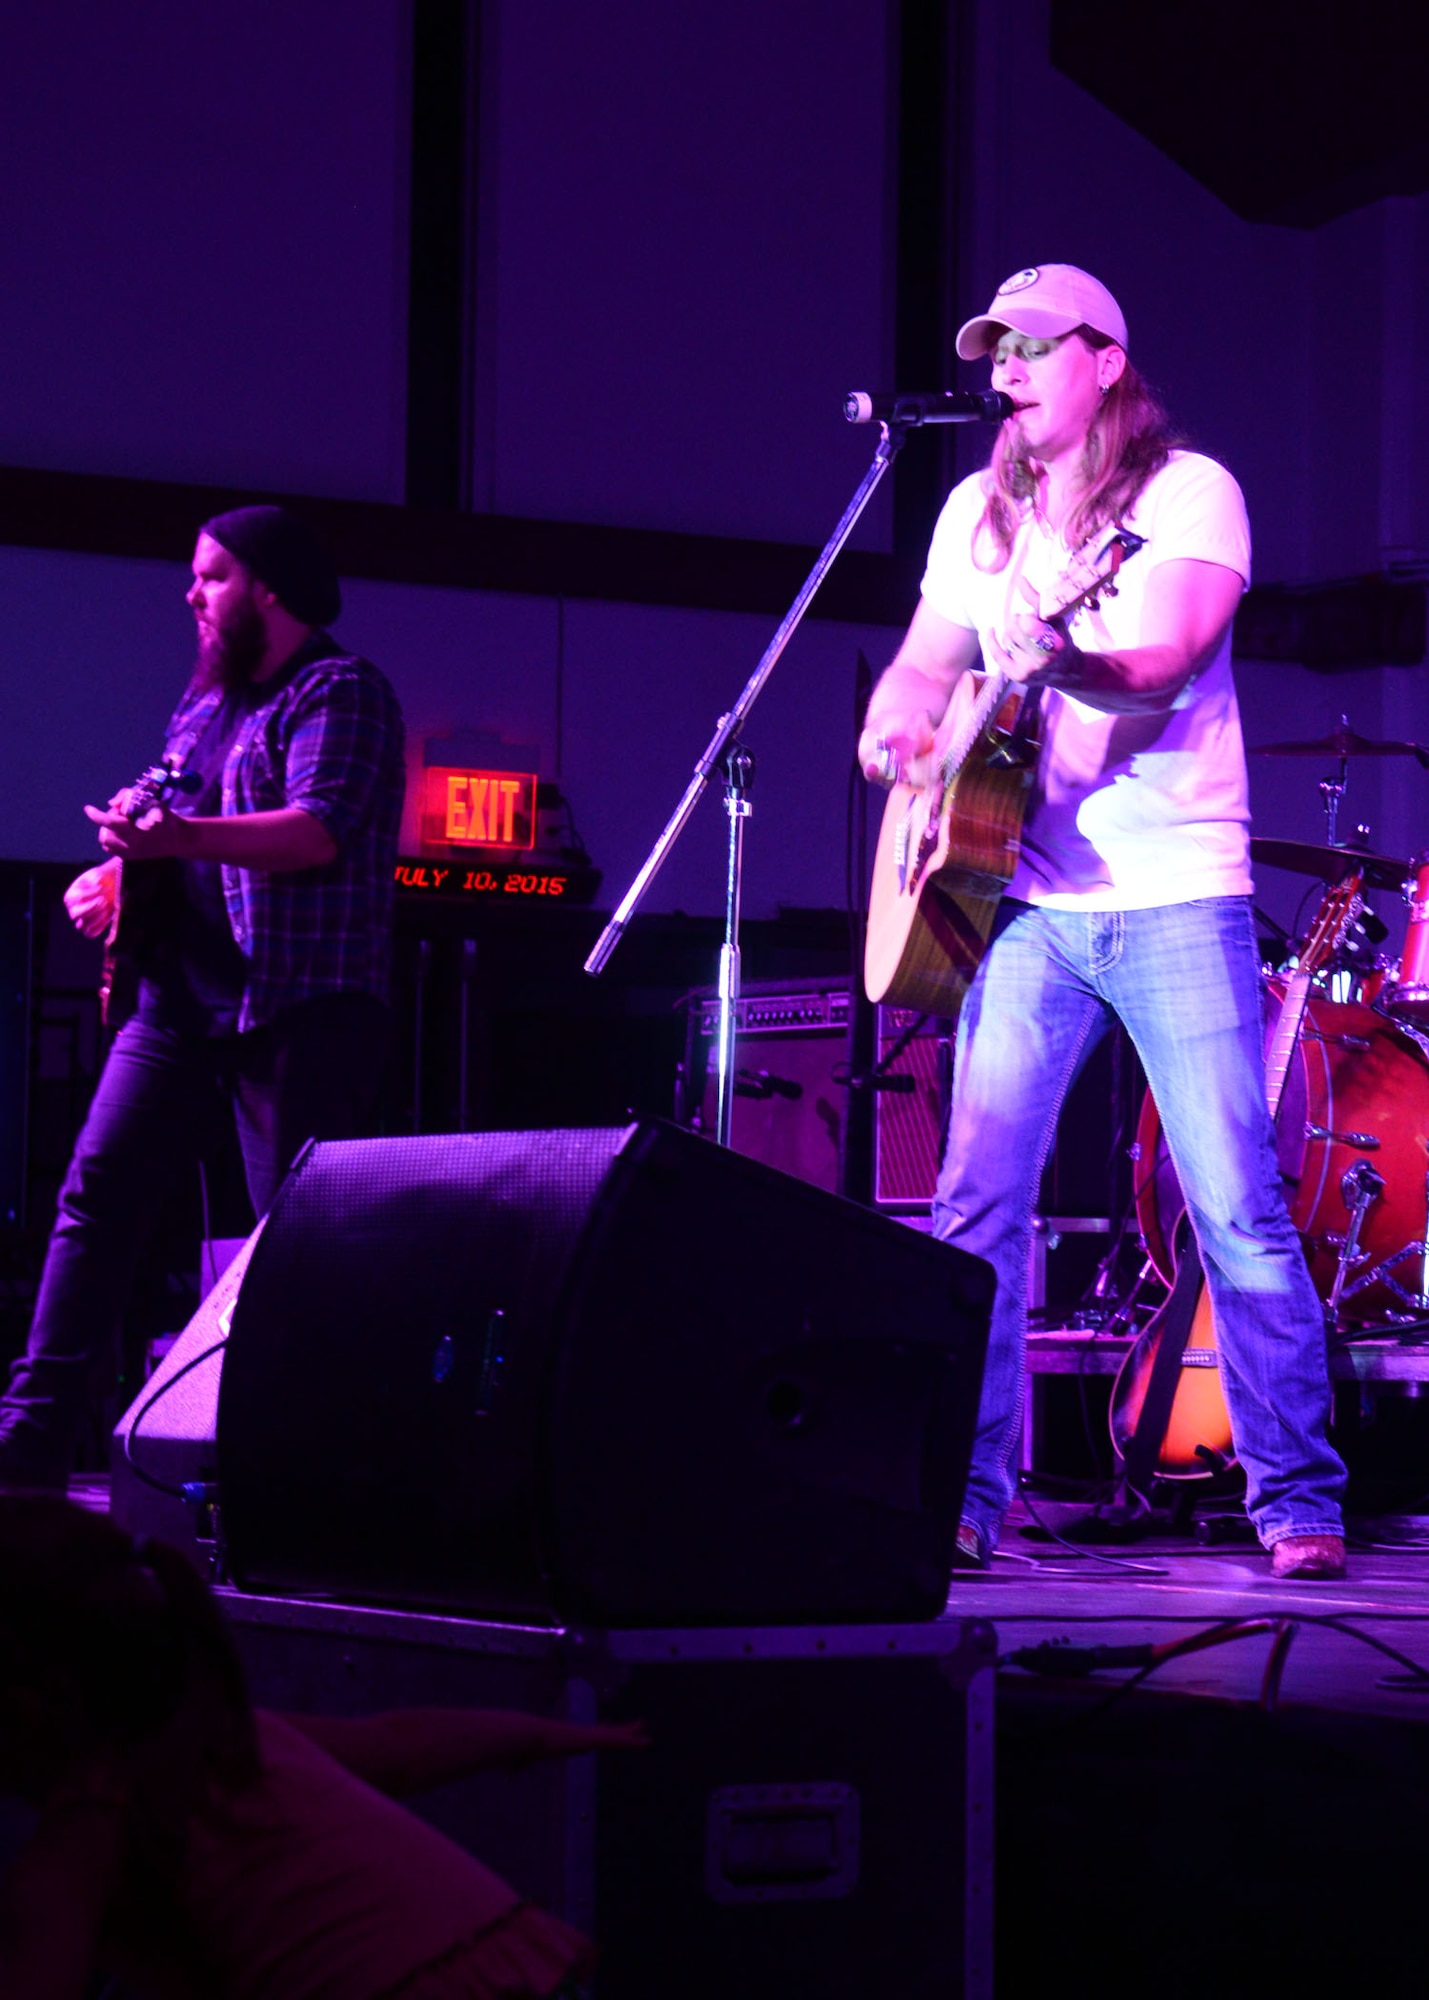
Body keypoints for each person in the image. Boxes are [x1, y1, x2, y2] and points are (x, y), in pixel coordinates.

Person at [858, 264, 1347, 1581]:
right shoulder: (975, 507)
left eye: (1029, 345)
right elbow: (924, 659)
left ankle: (1297, 1494)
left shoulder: (1189, 496)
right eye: (993, 348)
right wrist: (901, 723)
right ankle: (963, 1499)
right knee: (973, 1204)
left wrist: (1053, 657)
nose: (1003, 367)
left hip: (1176, 895)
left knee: (1232, 1202)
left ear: (1106, 362)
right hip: (1020, 899)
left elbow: (1163, 662)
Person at [0, 506, 406, 1490]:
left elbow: (314, 829)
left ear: (267, 587)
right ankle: (28, 1443)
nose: (192, 594)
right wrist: (120, 866)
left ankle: (308, 1470)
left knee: (298, 1240)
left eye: (211, 576)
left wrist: (172, 839)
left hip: (297, 1007)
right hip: (180, 1006)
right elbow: (155, 807)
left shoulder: (338, 690)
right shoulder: (206, 707)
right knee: (95, 1202)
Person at [0, 1493, 644, 1998]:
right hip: (518, 1967)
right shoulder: (234, 1742)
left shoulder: (83, 1842)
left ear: (31, 1705)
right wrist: (542, 1734)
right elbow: (399, 1744)